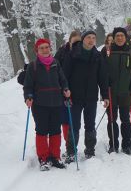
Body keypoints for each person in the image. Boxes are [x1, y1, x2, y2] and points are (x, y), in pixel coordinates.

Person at [23, 38, 71, 171]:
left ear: (50, 48)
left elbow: (63, 80)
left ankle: (55, 157)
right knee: (42, 130)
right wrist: (28, 97)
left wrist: (66, 89)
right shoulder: (33, 66)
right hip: (39, 104)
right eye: (41, 48)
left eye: (47, 47)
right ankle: (44, 158)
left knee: (55, 130)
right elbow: (28, 86)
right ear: (37, 51)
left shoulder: (56, 63)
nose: (45, 50)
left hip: (56, 102)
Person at [62, 30, 108, 161]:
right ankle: (71, 152)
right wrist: (65, 90)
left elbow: (102, 78)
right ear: (83, 39)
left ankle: (90, 150)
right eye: (88, 37)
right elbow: (65, 75)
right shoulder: (72, 54)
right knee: (74, 125)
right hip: (74, 97)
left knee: (90, 124)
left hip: (91, 97)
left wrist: (105, 96)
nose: (91, 40)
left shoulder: (98, 56)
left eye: (93, 38)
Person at [104, 27, 131, 155]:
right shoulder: (107, 51)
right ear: (114, 38)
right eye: (117, 36)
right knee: (111, 119)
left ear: (125, 37)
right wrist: (105, 84)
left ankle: (126, 145)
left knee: (125, 119)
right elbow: (101, 71)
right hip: (111, 92)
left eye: (122, 35)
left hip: (126, 92)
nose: (119, 38)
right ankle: (113, 144)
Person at [54, 30, 81, 158]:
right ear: (69, 41)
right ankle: (68, 146)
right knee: (65, 120)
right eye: (74, 42)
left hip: (78, 91)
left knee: (74, 121)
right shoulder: (62, 53)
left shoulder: (82, 52)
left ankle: (72, 146)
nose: (76, 44)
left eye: (78, 42)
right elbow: (55, 68)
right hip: (64, 91)